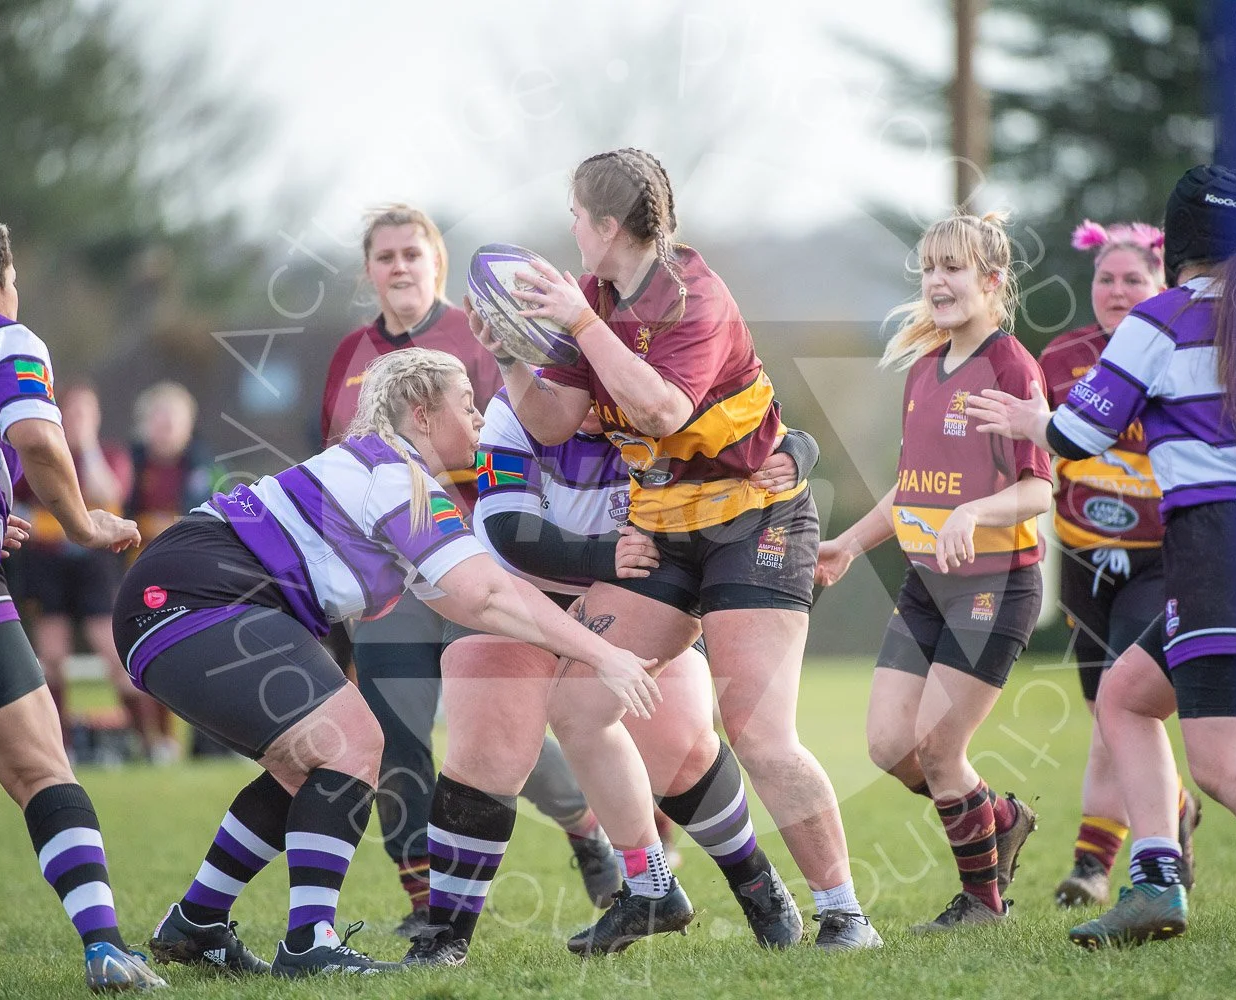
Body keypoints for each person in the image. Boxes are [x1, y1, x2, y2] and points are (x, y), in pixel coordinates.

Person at [120, 348, 662, 977]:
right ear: (422, 413)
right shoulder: (395, 475)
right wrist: (604, 654)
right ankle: (309, 945)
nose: (480, 419)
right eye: (467, 404)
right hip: (195, 595)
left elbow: (470, 599)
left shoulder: (390, 474)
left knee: (309, 763)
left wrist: (579, 643)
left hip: (185, 593)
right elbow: (488, 594)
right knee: (353, 743)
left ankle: (197, 921)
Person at [470, 147, 881, 950]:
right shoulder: (592, 297)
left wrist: (580, 325)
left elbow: (662, 410)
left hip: (755, 520)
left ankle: (845, 915)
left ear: (606, 225)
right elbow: (553, 423)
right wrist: (513, 353)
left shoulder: (694, 294)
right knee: (580, 703)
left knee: (758, 734)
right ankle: (652, 888)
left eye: (575, 216)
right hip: (664, 528)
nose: (570, 231)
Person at [966, 165, 1236, 947]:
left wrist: (1030, 419)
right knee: (1126, 699)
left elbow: (1080, 433)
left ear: (1176, 244)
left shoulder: (1164, 318)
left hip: (1217, 548)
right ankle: (1154, 881)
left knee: (1227, 766)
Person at [321, 204, 616, 937]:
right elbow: (334, 462)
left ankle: (586, 829)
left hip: (471, 566)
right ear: (369, 270)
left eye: (411, 253)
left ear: (437, 264)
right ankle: (427, 904)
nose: (399, 266)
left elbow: (534, 433)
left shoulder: (483, 338)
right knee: (395, 736)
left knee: (497, 732)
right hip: (387, 581)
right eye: (385, 255)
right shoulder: (350, 354)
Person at [462, 386, 819, 950]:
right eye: (564, 385)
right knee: (489, 750)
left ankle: (754, 881)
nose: (580, 405)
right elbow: (509, 532)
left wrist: (797, 450)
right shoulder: (516, 406)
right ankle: (442, 934)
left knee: (680, 748)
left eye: (589, 390)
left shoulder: (646, 392)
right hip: (530, 596)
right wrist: (607, 554)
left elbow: (757, 436)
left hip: (643, 592)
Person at [0, 206, 162, 991]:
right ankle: (105, 949)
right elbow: (37, 438)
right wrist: (83, 523)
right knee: (41, 769)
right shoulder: (4, 337)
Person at [814, 210, 1050, 933]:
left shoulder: (1011, 367)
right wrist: (848, 544)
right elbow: (912, 490)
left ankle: (983, 904)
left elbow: (1040, 490)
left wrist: (975, 513)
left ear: (992, 280)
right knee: (891, 747)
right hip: (926, 586)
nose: (937, 282)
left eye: (953, 268)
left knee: (941, 751)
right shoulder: (923, 368)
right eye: (928, 269)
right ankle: (1000, 817)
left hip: (995, 585)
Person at [1038, 221, 1201, 907]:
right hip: (1082, 560)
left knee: (1119, 702)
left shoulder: (1181, 349)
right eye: (1106, 278)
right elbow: (1039, 451)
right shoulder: (1061, 356)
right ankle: (1177, 805)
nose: (1117, 290)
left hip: (1158, 560)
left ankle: (1093, 865)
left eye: (1134, 279)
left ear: (1161, 284)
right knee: (1106, 713)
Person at [13, 383, 158, 762]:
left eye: (85, 412)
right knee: (52, 655)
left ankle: (148, 742)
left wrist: (88, 446)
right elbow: (18, 498)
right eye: (71, 412)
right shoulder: (43, 453)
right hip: (47, 563)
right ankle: (60, 746)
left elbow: (110, 492)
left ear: (96, 417)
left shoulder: (110, 455)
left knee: (111, 649)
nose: (77, 420)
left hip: (96, 564)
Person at [124, 381, 221, 758]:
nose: (164, 427)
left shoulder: (204, 467)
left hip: (189, 574)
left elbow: (208, 519)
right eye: (158, 418)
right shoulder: (131, 464)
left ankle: (208, 741)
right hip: (135, 571)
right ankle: (151, 741)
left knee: (193, 654)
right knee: (144, 654)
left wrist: (160, 525)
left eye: (173, 419)